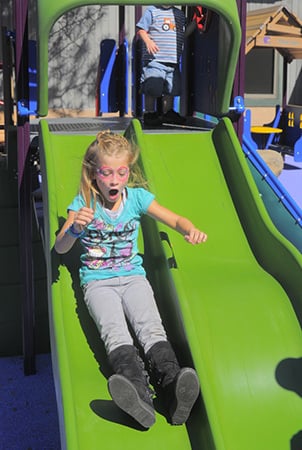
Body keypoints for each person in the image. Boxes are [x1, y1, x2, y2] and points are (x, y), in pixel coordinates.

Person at [55, 130, 208, 429]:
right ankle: (138, 397)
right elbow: (60, 248)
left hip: (134, 278)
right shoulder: (84, 203)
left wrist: (189, 229)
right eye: (106, 173)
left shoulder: (137, 198)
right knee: (116, 334)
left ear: (128, 172)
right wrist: (73, 229)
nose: (114, 180)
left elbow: (175, 219)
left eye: (121, 172)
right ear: (93, 174)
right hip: (98, 283)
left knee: (151, 327)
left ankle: (174, 389)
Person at [136, 5, 196, 127]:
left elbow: (183, 34)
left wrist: (195, 23)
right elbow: (141, 29)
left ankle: (167, 112)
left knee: (171, 89)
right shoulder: (152, 11)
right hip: (155, 59)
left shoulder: (179, 14)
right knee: (152, 87)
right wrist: (148, 41)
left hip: (173, 61)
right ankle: (149, 112)